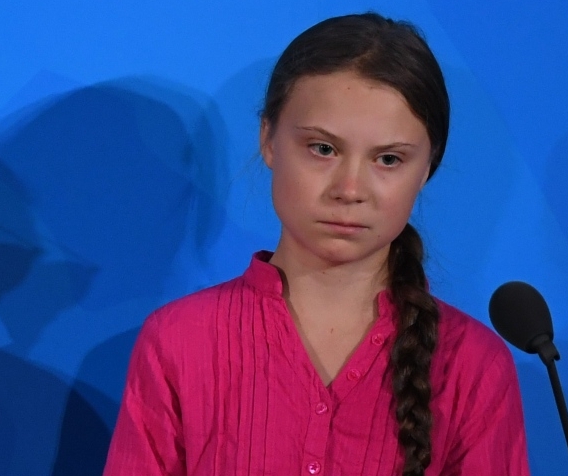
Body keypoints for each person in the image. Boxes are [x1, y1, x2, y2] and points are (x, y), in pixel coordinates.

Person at [103, 12, 530, 476]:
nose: (350, 189)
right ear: (268, 139)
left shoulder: (472, 365)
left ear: (427, 168)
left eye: (388, 159)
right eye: (323, 149)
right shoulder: (179, 341)